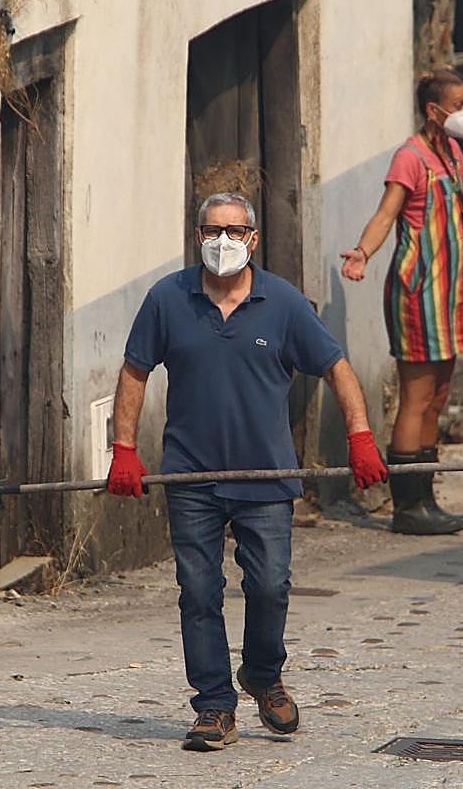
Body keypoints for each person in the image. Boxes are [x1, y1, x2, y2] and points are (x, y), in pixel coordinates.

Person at [107, 192, 389, 752]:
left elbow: (337, 368)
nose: (223, 242)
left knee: (269, 586)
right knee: (199, 591)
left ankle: (262, 674)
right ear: (197, 236)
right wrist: (124, 448)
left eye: (235, 232)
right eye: (213, 231)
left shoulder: (282, 303)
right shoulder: (168, 299)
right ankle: (213, 705)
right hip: (192, 479)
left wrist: (360, 436)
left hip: (265, 478)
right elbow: (135, 371)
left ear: (253, 239)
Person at [341, 68, 463, 535]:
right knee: (416, 397)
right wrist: (363, 253)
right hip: (418, 291)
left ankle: (427, 498)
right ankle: (408, 506)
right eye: (460, 105)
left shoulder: (451, 152)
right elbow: (387, 214)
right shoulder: (410, 157)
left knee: (439, 395)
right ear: (433, 110)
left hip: (451, 290)